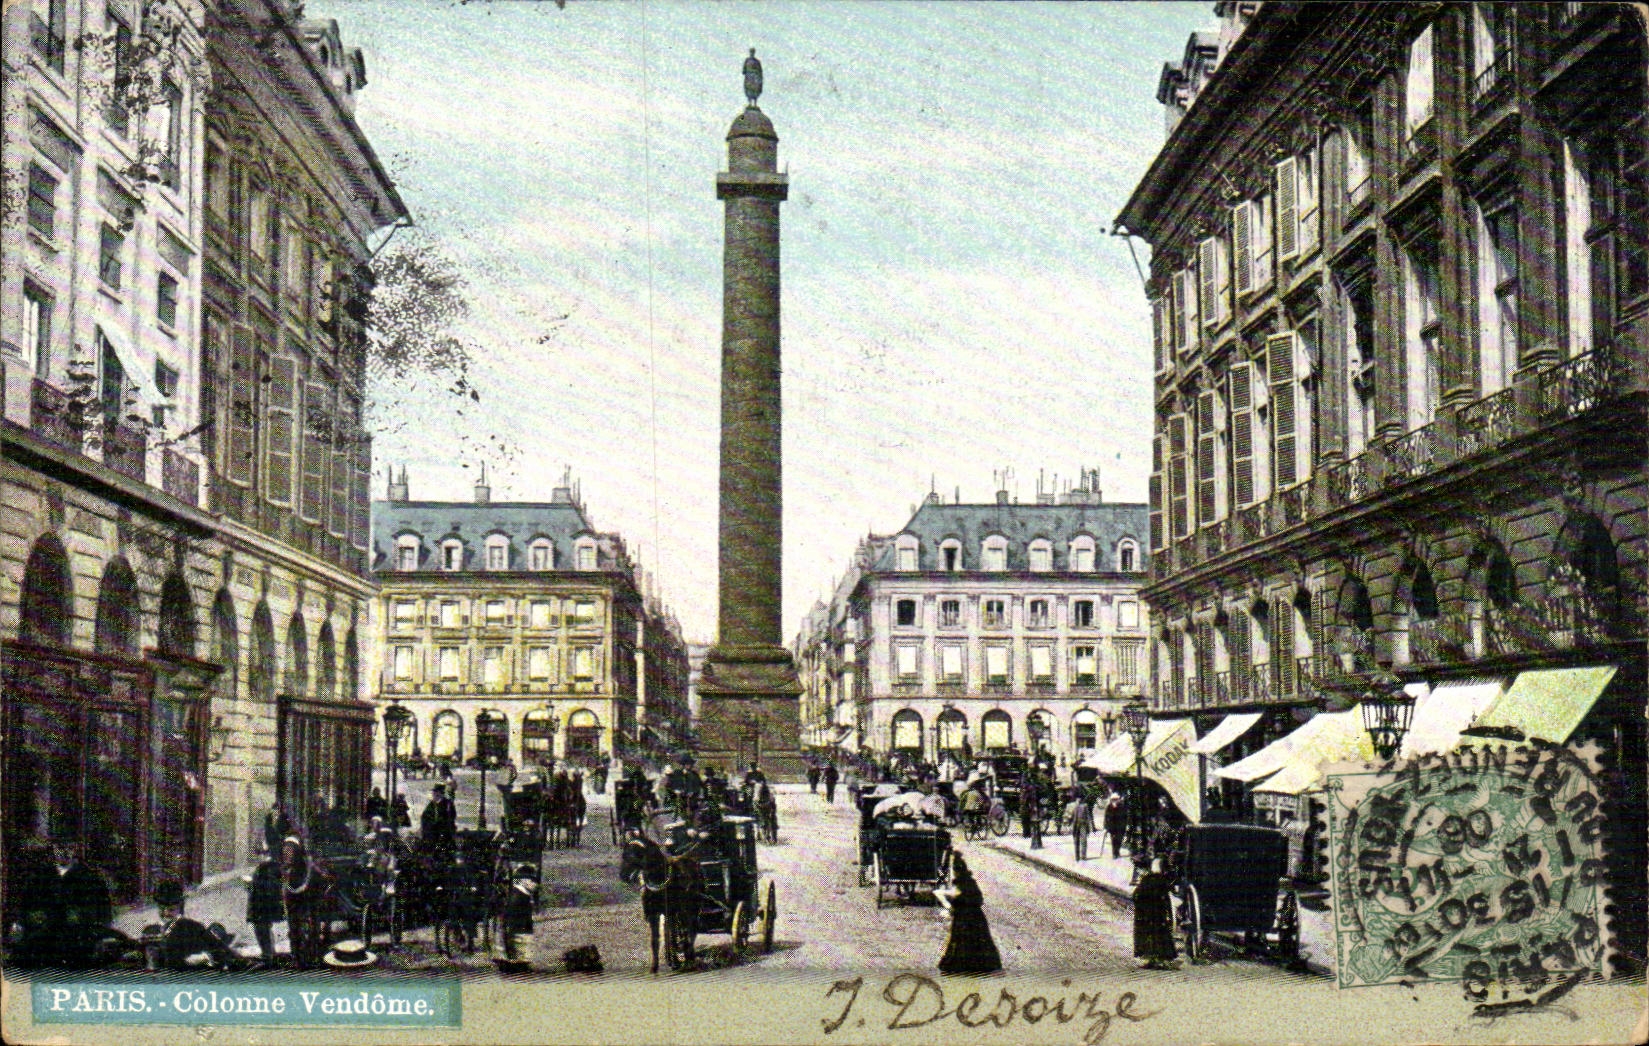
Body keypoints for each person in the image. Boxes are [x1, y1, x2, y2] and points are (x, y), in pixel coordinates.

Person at [148, 881, 236, 970]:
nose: (165, 913)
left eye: (171, 909)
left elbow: (222, 952)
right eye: (161, 909)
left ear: (180, 908)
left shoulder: (192, 928)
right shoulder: (151, 931)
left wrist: (204, 957)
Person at [937, 854, 1002, 974]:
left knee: (962, 942)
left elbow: (957, 902)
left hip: (964, 919)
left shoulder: (960, 885)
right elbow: (979, 899)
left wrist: (951, 904)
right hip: (977, 918)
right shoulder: (970, 882)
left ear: (956, 872)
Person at [1133, 857, 1178, 969]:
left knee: (1148, 936)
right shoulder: (1163, 881)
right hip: (1159, 915)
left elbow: (1136, 896)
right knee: (1161, 935)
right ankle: (1163, 959)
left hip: (1146, 915)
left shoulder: (1146, 879)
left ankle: (1151, 959)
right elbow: (1167, 898)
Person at [243, 849, 285, 965]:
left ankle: (267, 955)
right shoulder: (267, 866)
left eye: (261, 854)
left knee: (262, 929)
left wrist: (251, 884)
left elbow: (271, 886)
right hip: (261, 904)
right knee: (264, 928)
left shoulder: (269, 867)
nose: (259, 856)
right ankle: (270, 953)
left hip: (263, 905)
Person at [497, 864, 538, 972]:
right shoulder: (518, 897)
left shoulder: (523, 894)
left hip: (522, 932)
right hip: (518, 935)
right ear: (523, 881)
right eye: (532, 880)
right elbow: (511, 922)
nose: (535, 884)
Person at [421, 783, 457, 857]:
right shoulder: (432, 804)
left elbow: (451, 816)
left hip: (444, 831)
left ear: (440, 793)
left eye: (436, 792)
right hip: (431, 831)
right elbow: (424, 816)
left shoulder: (447, 804)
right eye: (433, 792)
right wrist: (427, 824)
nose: (434, 794)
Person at [1070, 788, 1093, 861]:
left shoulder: (1085, 806)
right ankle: (1077, 856)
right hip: (1076, 825)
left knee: (1084, 840)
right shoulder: (1073, 806)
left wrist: (1090, 826)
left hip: (1083, 824)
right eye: (1077, 798)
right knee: (1076, 841)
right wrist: (1069, 825)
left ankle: (1083, 855)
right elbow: (1071, 816)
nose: (1079, 800)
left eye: (1080, 798)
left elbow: (1088, 817)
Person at [1104, 793, 1128, 859]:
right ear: (1111, 800)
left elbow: (1125, 817)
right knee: (1113, 840)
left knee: (1119, 840)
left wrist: (1126, 825)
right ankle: (1114, 853)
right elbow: (1106, 817)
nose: (1115, 801)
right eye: (1113, 799)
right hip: (1112, 827)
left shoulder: (1122, 806)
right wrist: (1106, 827)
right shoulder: (1109, 807)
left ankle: (1117, 851)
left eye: (1116, 799)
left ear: (1118, 800)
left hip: (1120, 827)